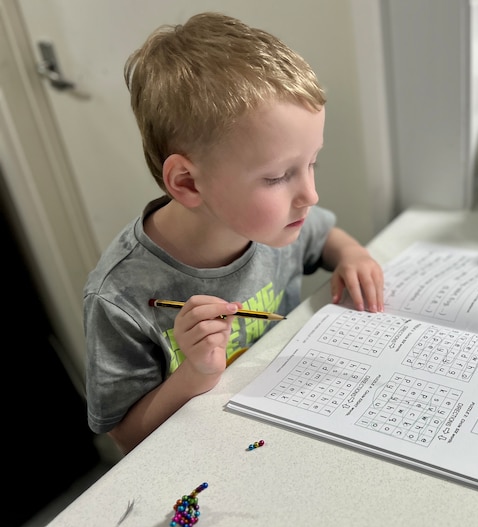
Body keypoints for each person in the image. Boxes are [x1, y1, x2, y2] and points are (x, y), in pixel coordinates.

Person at [83, 12, 384, 455]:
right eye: (279, 176)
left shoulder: (282, 223)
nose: (310, 194)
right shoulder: (119, 298)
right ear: (187, 183)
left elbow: (325, 237)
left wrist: (354, 255)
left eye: (311, 163)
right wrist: (195, 375)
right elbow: (126, 435)